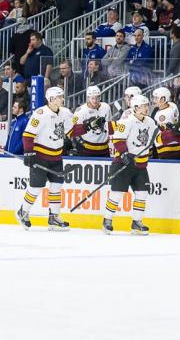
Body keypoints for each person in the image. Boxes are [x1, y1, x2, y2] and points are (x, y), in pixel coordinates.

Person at [16, 87, 73, 231]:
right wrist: (29, 153)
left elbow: (72, 131)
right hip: (40, 156)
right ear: (52, 99)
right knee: (36, 187)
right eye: (59, 97)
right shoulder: (40, 113)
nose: (62, 99)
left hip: (56, 156)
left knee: (56, 186)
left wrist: (87, 126)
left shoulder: (65, 113)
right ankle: (23, 211)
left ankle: (54, 217)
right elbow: (28, 135)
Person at [106, 94, 158, 235]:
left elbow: (157, 137)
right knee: (117, 194)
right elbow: (117, 140)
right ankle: (108, 219)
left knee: (142, 193)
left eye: (147, 105)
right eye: (143, 106)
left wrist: (173, 133)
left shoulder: (150, 122)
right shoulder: (126, 121)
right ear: (135, 108)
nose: (147, 108)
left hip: (141, 165)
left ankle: (136, 222)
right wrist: (123, 154)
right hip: (123, 164)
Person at [68, 85, 112, 157]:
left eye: (97, 97)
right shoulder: (80, 111)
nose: (95, 101)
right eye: (92, 98)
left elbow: (109, 125)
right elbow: (73, 130)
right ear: (88, 98)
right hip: (86, 149)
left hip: (104, 149)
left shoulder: (106, 107)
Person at [152, 87, 180, 158]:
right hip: (178, 146)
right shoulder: (172, 105)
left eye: (156, 98)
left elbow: (164, 133)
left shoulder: (162, 115)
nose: (154, 100)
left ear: (163, 99)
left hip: (167, 149)